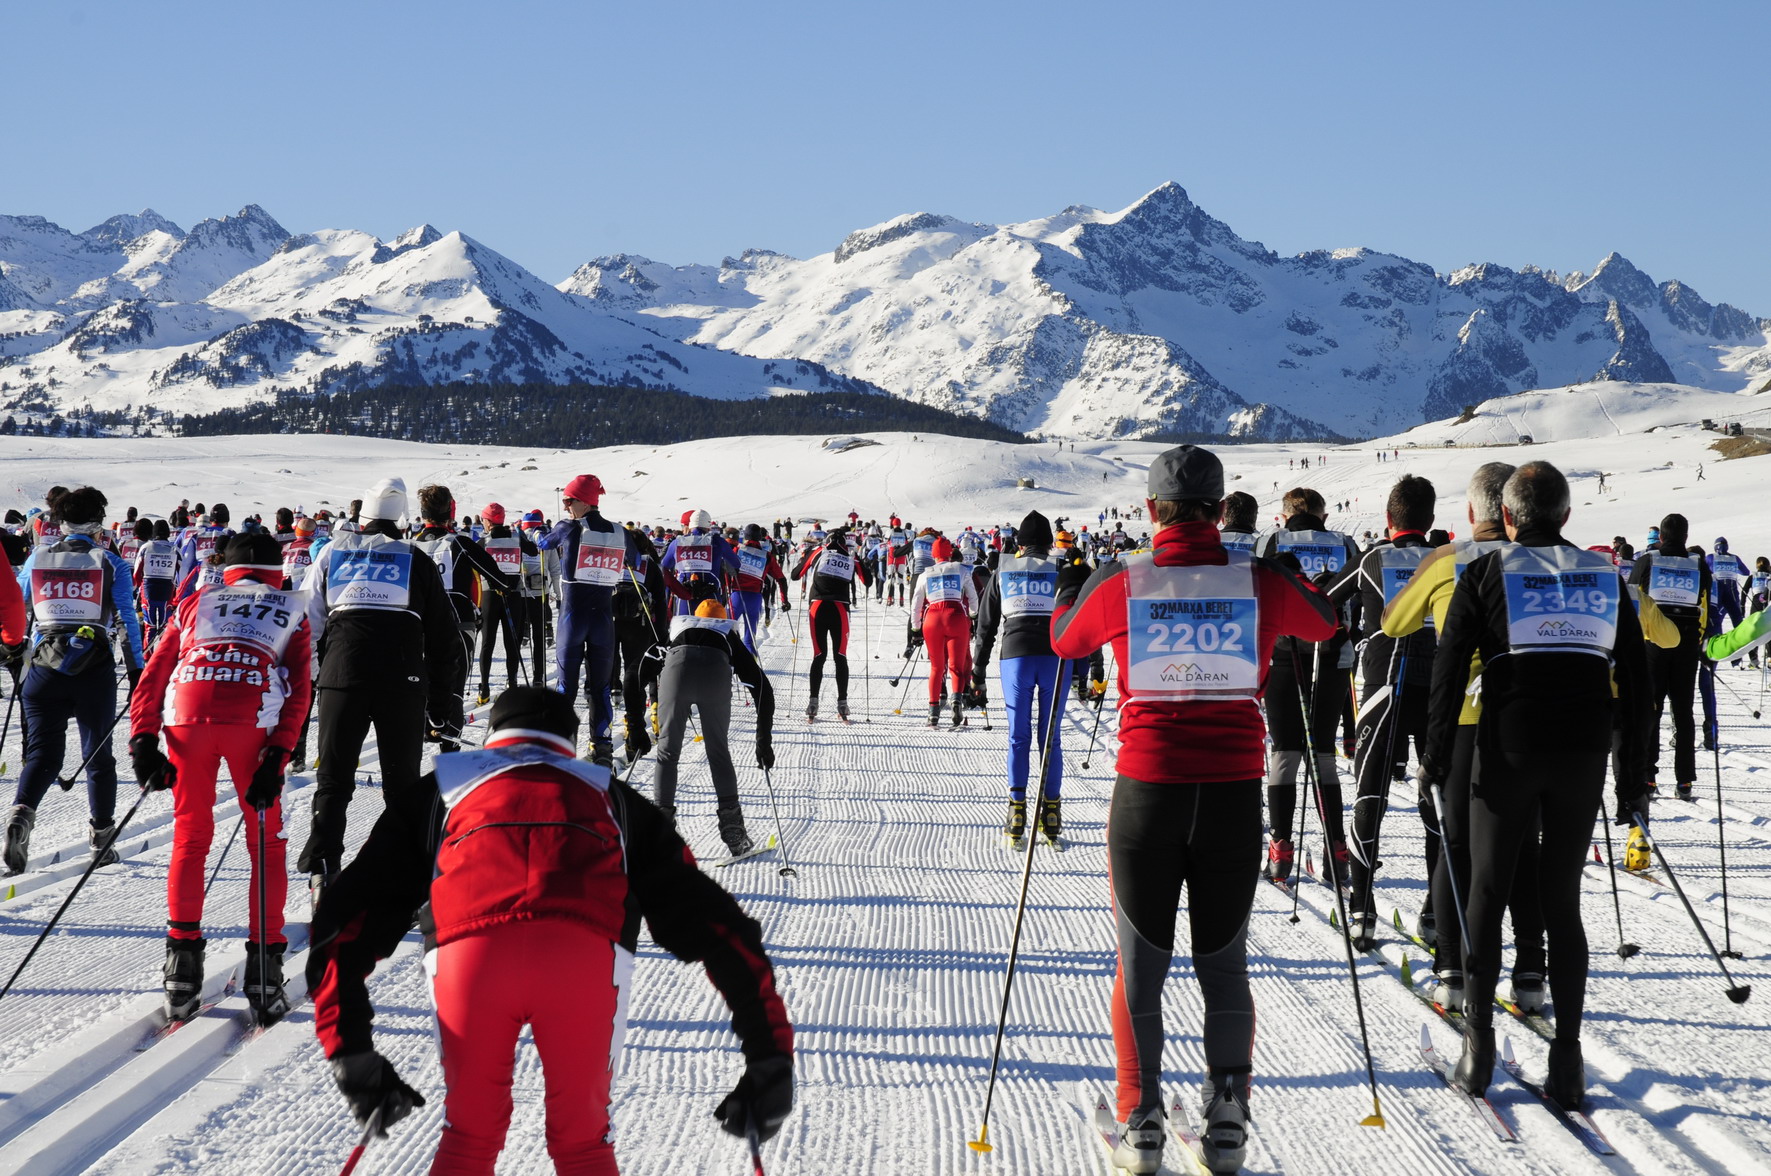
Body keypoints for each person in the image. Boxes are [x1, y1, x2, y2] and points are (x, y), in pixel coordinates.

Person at [305, 686, 794, 1175]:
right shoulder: (612, 796)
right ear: (571, 744)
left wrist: (350, 1050)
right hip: (582, 954)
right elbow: (720, 927)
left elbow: (343, 920)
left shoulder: (443, 789)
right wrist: (768, 1055)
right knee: (583, 1142)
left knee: (470, 1135)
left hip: (469, 956)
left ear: (491, 735)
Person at [1052, 445, 1335, 1175]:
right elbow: (1326, 625)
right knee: (1222, 964)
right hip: (1234, 797)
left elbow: (1062, 639)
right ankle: (1228, 1121)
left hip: (1147, 792)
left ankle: (1140, 1123)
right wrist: (1288, 577)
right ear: (1218, 509)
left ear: (1151, 512)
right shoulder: (1257, 579)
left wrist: (1069, 586)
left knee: (1140, 967)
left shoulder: (1123, 578)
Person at [1425, 461, 1650, 1109]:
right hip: (1581, 752)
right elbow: (1636, 686)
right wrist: (1633, 779)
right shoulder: (1603, 574)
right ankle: (1566, 1058)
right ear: (1566, 515)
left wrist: (1437, 760)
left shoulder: (1486, 571)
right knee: (1560, 902)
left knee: (1488, 888)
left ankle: (1478, 1049)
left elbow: (1446, 668)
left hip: (1506, 747)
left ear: (1508, 516)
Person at [127, 533, 313, 1023]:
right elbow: (300, 690)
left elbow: (153, 673)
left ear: (225, 569)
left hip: (187, 716)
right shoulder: (291, 608)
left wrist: (143, 740)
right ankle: (264, 972)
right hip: (253, 720)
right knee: (266, 842)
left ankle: (181, 970)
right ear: (277, 571)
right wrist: (279, 754)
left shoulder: (194, 602)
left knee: (190, 836)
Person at [296, 477, 462, 898]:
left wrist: (311, 679)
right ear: (402, 523)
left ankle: (323, 869)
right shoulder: (416, 559)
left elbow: (306, 625)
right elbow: (446, 640)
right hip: (402, 682)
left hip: (342, 676)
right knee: (402, 786)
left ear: (360, 519)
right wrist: (444, 708)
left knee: (333, 780)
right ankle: (402, 878)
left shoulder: (332, 554)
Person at [4, 486, 147, 875]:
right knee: (98, 757)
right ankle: (101, 840)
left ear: (61, 522)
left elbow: (17, 607)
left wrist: (14, 651)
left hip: (43, 667)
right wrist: (136, 673)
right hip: (92, 668)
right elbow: (126, 621)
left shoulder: (37, 556)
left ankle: (22, 813)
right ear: (99, 522)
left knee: (42, 755)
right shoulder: (111, 562)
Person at [1327, 474, 1439, 948]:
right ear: (1430, 520)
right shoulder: (1446, 560)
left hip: (1383, 687)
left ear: (1388, 520)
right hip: (1438, 687)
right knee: (1437, 800)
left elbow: (1328, 599)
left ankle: (1362, 909)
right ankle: (1436, 914)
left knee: (1370, 795)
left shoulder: (1374, 557)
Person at [1258, 488, 1359, 886]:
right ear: (1323, 514)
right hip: (1331, 653)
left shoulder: (1272, 540)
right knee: (1322, 754)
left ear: (1285, 515)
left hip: (1285, 654)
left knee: (1284, 752)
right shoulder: (1345, 542)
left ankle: (1281, 849)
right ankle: (1336, 850)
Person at [643, 597, 776, 855]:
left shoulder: (677, 628)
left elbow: (638, 672)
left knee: (667, 753)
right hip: (714, 673)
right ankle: (733, 832)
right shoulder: (727, 634)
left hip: (676, 671)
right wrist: (763, 741)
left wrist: (637, 723)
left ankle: (660, 832)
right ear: (722, 618)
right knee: (718, 753)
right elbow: (762, 689)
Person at [972, 510, 1063, 845]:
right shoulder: (1062, 568)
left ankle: (1017, 810)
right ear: (1051, 544)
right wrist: (1088, 668)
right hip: (1055, 657)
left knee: (1018, 736)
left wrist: (978, 670)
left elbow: (986, 626)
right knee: (1050, 737)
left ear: (1019, 545)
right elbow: (1079, 618)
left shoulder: (1003, 570)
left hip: (1016, 655)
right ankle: (1051, 813)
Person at [536, 475, 636, 766]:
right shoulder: (620, 531)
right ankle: (602, 749)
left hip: (573, 617)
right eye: (565, 500)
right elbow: (635, 561)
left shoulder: (569, 526)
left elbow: (542, 543)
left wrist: (534, 533)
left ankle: (561, 748)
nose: (566, 505)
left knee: (567, 688)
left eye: (570, 500)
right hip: (603, 619)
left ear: (586, 501)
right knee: (600, 687)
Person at [1628, 515, 1711, 800]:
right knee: (1683, 711)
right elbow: (1704, 604)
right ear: (1686, 537)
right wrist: (1699, 638)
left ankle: (1649, 777)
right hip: (1687, 644)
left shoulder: (1647, 561)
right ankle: (1685, 780)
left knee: (1651, 709)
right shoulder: (1698, 564)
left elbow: (1632, 598)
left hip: (1653, 644)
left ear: (1660, 537)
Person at [792, 528, 870, 721]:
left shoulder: (819, 551)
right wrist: (856, 559)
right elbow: (867, 581)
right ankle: (842, 704)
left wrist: (808, 557)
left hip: (817, 606)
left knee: (819, 655)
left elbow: (795, 575)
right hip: (840, 609)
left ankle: (813, 703)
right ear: (844, 543)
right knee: (840, 656)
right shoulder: (850, 555)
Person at [911, 537, 979, 729]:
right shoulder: (962, 569)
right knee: (956, 666)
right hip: (956, 615)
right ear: (950, 553)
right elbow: (972, 596)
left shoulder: (925, 574)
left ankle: (933, 713)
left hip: (932, 618)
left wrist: (915, 627)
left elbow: (916, 603)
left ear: (933, 555)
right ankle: (956, 700)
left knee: (936, 667)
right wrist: (973, 615)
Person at [476, 502, 541, 702]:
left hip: (490, 595)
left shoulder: (483, 540)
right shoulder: (515, 536)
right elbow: (533, 551)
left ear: (487, 520)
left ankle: (484, 689)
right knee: (511, 641)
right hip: (513, 595)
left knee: (488, 642)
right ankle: (512, 683)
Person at [730, 524, 790, 653]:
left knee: (727, 634)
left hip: (737, 596)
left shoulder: (737, 550)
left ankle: (727, 668)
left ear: (745, 536)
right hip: (755, 599)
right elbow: (782, 579)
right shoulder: (767, 556)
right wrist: (785, 600)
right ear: (760, 537)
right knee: (749, 640)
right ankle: (751, 670)